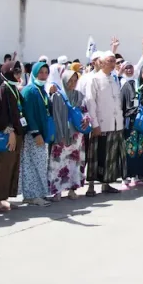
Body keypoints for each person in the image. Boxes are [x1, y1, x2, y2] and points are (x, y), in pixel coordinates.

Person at [85, 51, 125, 196]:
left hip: (115, 124)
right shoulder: (94, 79)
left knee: (111, 156)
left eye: (114, 61)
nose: (113, 63)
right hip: (101, 125)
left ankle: (106, 184)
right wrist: (95, 124)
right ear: (101, 63)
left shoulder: (114, 79)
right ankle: (90, 186)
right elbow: (91, 102)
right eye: (110, 61)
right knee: (96, 155)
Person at [47, 68, 87, 200]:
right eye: (70, 80)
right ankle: (57, 191)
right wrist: (60, 135)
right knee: (58, 163)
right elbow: (56, 116)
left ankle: (72, 189)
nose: (73, 83)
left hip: (76, 135)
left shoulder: (79, 95)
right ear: (64, 80)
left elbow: (85, 112)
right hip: (62, 135)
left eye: (75, 80)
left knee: (74, 163)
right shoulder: (57, 96)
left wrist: (87, 121)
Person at [19, 61, 53, 207]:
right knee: (31, 164)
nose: (43, 75)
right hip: (34, 135)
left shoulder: (41, 90)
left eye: (46, 73)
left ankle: (39, 193)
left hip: (42, 133)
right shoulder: (30, 90)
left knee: (39, 164)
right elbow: (28, 114)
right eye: (41, 72)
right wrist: (35, 133)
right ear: (34, 73)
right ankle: (31, 195)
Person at [0, 62, 25, 212]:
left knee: (12, 167)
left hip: (17, 133)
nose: (18, 74)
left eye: (19, 71)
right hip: (9, 134)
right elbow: (2, 114)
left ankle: (5, 198)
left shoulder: (13, 88)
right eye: (15, 71)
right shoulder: (4, 89)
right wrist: (9, 131)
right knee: (3, 167)